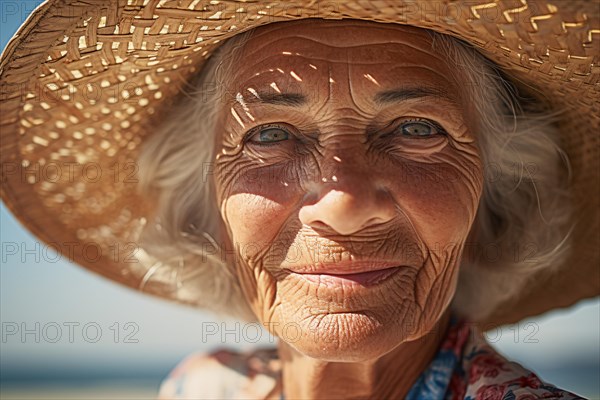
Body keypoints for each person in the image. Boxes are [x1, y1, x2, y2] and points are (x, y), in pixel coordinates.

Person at [1, 1, 597, 399]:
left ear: (493, 199)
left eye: (416, 129)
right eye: (269, 135)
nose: (342, 202)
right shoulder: (204, 387)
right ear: (205, 208)